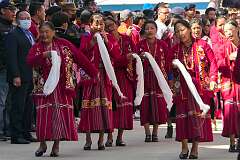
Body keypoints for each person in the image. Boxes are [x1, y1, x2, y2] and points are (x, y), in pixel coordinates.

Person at [27, 21, 98, 157]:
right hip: (44, 88)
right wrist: (43, 55)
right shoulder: (36, 48)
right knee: (44, 116)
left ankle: (56, 145)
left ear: (53, 32)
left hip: (62, 86)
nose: (44, 34)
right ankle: (42, 144)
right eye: (42, 32)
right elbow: (29, 61)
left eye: (47, 31)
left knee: (59, 116)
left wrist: (94, 72)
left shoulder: (64, 45)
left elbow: (80, 58)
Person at [78, 13, 126, 150]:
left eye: (101, 24)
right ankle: (88, 140)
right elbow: (81, 54)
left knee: (104, 108)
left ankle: (100, 139)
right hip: (91, 76)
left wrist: (106, 42)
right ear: (90, 24)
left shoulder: (109, 37)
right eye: (96, 23)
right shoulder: (86, 37)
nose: (99, 26)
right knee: (88, 107)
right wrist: (92, 42)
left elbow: (117, 55)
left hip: (105, 76)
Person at [172, 19, 217, 159]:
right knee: (182, 118)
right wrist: (172, 69)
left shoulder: (203, 45)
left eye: (183, 29)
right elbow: (168, 70)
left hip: (200, 87)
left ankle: (195, 148)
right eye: (178, 31)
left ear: (189, 29)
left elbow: (213, 64)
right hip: (183, 89)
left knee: (197, 118)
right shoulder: (175, 49)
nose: (181, 33)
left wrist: (213, 80)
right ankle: (184, 146)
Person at [5, 10, 36, 144]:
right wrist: (16, 75)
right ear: (17, 21)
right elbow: (11, 57)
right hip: (19, 76)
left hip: (29, 75)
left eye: (28, 18)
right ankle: (16, 135)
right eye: (23, 18)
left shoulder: (29, 33)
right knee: (18, 106)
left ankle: (25, 132)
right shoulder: (13, 35)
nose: (26, 20)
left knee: (28, 106)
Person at [104, 16, 135, 147]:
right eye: (107, 26)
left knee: (124, 105)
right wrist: (124, 59)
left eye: (111, 25)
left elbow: (132, 55)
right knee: (111, 106)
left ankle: (119, 137)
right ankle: (109, 136)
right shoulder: (104, 40)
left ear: (117, 25)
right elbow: (110, 61)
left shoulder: (126, 39)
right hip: (110, 75)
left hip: (124, 75)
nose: (109, 28)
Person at [137, 20, 169, 142]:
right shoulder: (139, 45)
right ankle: (147, 133)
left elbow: (168, 61)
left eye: (152, 28)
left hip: (159, 79)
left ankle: (155, 132)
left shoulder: (162, 45)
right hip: (144, 79)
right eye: (147, 28)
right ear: (144, 31)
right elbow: (135, 61)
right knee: (145, 105)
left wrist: (167, 79)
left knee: (158, 105)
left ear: (156, 30)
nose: (149, 30)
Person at [217, 20, 240, 152]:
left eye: (231, 29)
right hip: (229, 83)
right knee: (230, 113)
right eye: (226, 31)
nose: (228, 33)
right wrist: (229, 58)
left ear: (237, 29)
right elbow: (218, 63)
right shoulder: (223, 47)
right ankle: (232, 142)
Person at [0, 0, 16, 141]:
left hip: (11, 68)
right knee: (2, 100)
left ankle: (6, 129)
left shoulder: (12, 27)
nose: (13, 12)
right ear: (2, 10)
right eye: (10, 9)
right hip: (3, 68)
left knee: (9, 101)